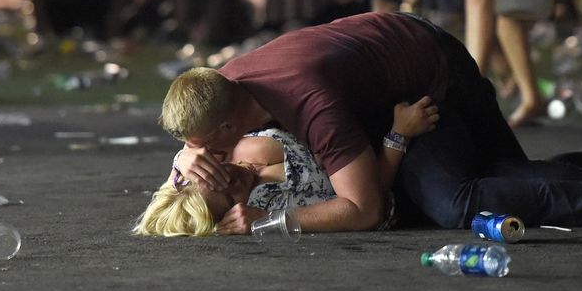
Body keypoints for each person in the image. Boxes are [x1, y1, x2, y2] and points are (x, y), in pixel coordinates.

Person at [160, 12, 582, 235]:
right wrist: (186, 161)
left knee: (463, 200)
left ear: (230, 130)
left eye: (204, 149)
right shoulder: (225, 86)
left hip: (431, 79)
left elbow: (366, 206)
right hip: (385, 95)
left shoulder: (310, 102)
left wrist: (264, 227)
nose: (205, 160)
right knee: (510, 175)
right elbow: (198, 149)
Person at [135, 97, 439, 236]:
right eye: (229, 196)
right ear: (229, 217)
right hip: (402, 154)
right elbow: (372, 197)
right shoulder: (276, 203)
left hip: (365, 106)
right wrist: (399, 134)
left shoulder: (234, 148)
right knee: (460, 202)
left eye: (217, 175)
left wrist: (183, 155)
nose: (233, 179)